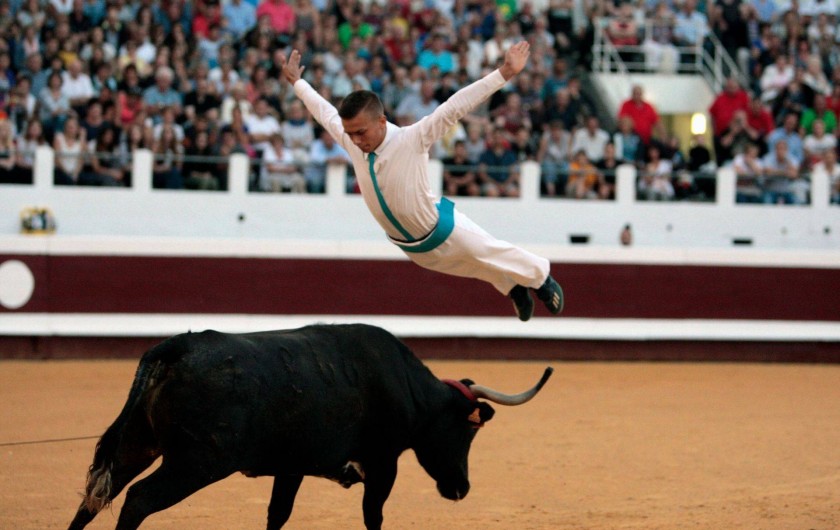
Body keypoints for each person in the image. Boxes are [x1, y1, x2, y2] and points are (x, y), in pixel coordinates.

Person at [279, 42, 563, 321]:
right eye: (350, 133)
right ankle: (513, 288)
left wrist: (504, 73)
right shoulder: (351, 139)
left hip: (442, 226)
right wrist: (298, 83)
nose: (354, 140)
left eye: (361, 132)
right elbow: (323, 111)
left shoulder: (411, 139)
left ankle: (541, 277)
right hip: (412, 247)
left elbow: (455, 107)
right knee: (470, 267)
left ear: (381, 121)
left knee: (485, 250)